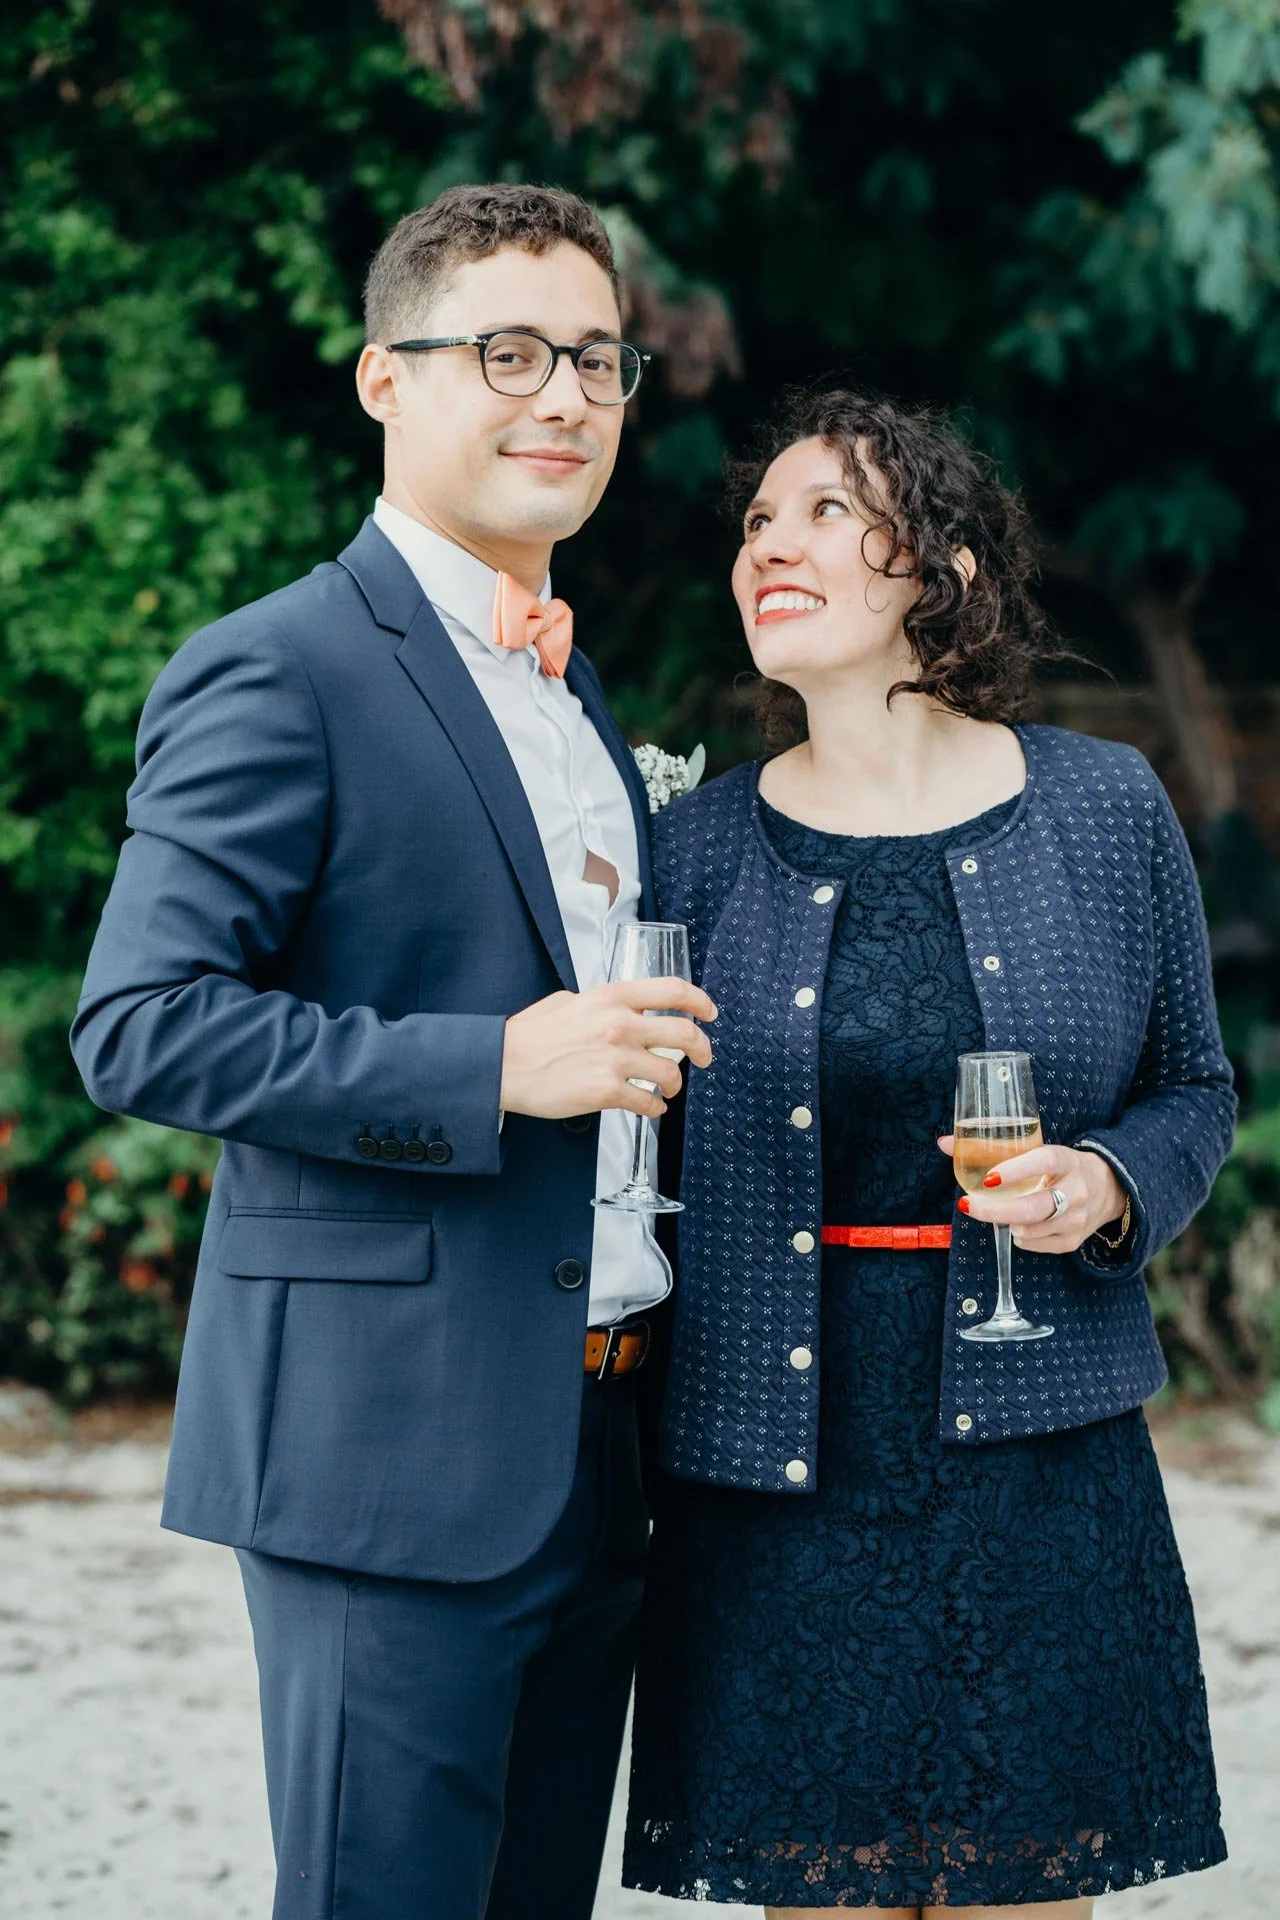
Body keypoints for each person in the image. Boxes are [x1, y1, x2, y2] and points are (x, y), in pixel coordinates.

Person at [71, 181, 715, 1920]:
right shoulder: (277, 670)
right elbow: (139, 1026)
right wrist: (490, 1068)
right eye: (506, 351)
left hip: (601, 1442)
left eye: (597, 358)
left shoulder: (580, 691)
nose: (564, 396)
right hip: (388, 1451)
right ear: (384, 380)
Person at [622, 388, 1233, 1917]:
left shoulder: (1105, 809)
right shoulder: (684, 850)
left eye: (828, 509)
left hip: (1044, 1468)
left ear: (942, 567)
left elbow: (1197, 1087)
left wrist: (1106, 1185)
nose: (774, 539)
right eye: (759, 518)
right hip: (777, 1473)